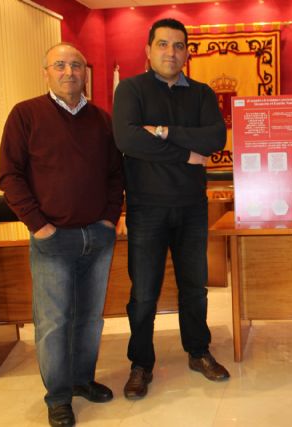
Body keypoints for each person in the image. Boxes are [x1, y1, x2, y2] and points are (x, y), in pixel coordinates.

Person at [0, 43, 124, 426]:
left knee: (90, 318)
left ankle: (82, 380)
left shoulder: (102, 120)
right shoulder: (25, 115)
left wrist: (108, 220)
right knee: (53, 322)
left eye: (76, 66)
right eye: (60, 65)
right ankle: (58, 397)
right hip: (52, 240)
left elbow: (115, 175)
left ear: (85, 73)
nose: (69, 72)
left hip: (97, 237)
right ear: (46, 72)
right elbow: (10, 176)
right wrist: (39, 225)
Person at [112, 18, 229, 400]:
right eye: (163, 44)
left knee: (194, 288)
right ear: (148, 50)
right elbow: (128, 139)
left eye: (178, 45)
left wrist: (161, 131)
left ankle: (198, 352)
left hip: (192, 208)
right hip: (146, 209)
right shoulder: (131, 89)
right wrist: (185, 153)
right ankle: (140, 364)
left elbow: (215, 137)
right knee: (144, 293)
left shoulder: (202, 93)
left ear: (187, 52)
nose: (171, 52)